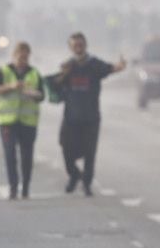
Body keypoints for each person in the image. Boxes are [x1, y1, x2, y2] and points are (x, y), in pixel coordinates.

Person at [47, 32, 125, 196]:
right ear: (71, 47)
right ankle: (75, 175)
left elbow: (111, 68)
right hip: (71, 117)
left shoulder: (94, 64)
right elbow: (54, 86)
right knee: (66, 149)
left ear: (85, 45)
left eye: (81, 44)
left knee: (90, 153)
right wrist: (64, 74)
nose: (78, 48)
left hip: (90, 117)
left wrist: (120, 66)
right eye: (75, 45)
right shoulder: (68, 66)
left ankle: (87, 184)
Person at [0, 41, 45, 199]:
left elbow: (41, 95)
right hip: (7, 120)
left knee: (27, 156)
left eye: (25, 56)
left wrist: (31, 93)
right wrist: (12, 86)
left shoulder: (34, 73)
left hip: (28, 121)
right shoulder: (5, 70)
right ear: (14, 55)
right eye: (20, 56)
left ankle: (26, 187)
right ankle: (13, 187)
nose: (23, 59)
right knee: (10, 154)